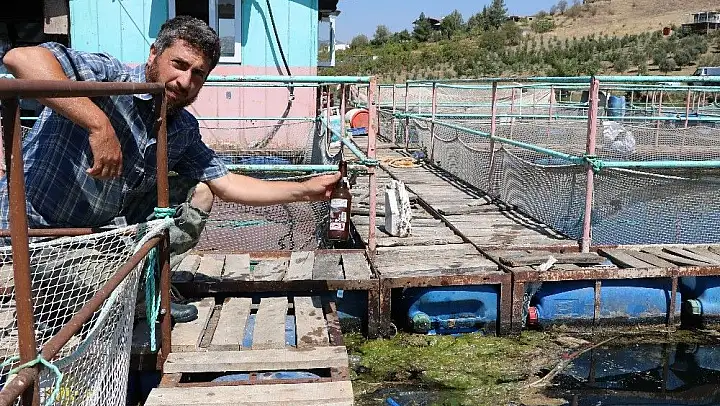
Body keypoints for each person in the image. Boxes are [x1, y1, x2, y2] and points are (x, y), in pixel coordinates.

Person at [0, 16, 340, 323]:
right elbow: (21, 58)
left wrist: (306, 189)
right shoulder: (109, 78)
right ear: (154, 54)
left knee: (200, 191)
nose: (184, 80)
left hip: (102, 230)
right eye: (178, 64)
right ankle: (120, 291)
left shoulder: (181, 128)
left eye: (198, 74)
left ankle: (142, 284)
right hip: (37, 233)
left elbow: (225, 182)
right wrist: (98, 124)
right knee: (103, 298)